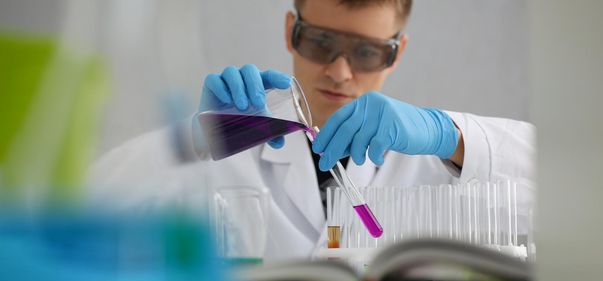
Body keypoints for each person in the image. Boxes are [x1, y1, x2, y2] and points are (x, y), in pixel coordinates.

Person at [91, 0, 535, 261]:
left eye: (366, 52)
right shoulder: (229, 149)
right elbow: (88, 204)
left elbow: (579, 193)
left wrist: (451, 136)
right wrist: (191, 143)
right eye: (321, 42)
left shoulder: (437, 159)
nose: (339, 72)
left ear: (396, 54)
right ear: (291, 31)